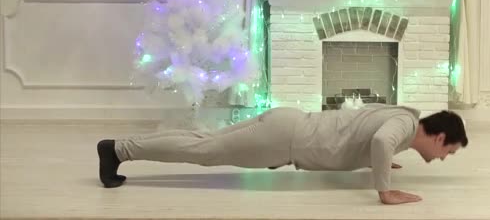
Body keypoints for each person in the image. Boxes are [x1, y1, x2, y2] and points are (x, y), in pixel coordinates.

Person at [97, 104, 468, 205]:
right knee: (205, 150)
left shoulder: (406, 118)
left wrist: (378, 159)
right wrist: (384, 190)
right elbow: (380, 141)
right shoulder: (402, 129)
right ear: (437, 137)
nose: (445, 157)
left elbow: (371, 135)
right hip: (285, 141)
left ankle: (120, 148)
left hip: (287, 123)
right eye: (449, 150)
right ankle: (117, 150)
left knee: (204, 141)